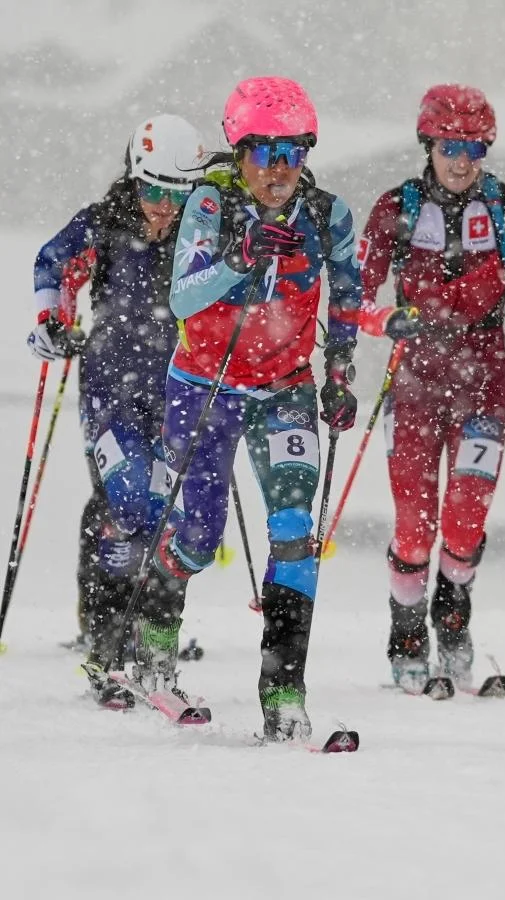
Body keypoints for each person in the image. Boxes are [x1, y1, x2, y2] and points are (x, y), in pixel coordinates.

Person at [135, 76, 362, 740]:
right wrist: (238, 257)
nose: (281, 169)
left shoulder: (328, 216)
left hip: (285, 389)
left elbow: (346, 298)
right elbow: (182, 299)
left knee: (295, 529)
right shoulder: (211, 203)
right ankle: (152, 649)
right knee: (199, 538)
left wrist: (340, 375)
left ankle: (283, 690)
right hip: (205, 383)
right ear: (239, 153)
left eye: (294, 152)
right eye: (265, 152)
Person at [357, 84, 505, 693]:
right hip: (416, 381)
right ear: (429, 143)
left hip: (484, 384)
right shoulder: (396, 207)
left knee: (467, 520)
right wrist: (385, 320)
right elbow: (357, 295)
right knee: (414, 527)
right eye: (450, 145)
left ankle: (453, 626)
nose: (462, 160)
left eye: (474, 147)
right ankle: (406, 636)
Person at [30, 115, 205, 693]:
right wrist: (52, 320)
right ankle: (107, 639)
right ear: (133, 178)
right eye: (152, 190)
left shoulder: (198, 232)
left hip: (178, 392)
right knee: (126, 500)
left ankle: (150, 631)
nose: (162, 206)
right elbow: (53, 264)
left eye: (176, 194)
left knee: (168, 513)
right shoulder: (104, 225)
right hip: (110, 392)